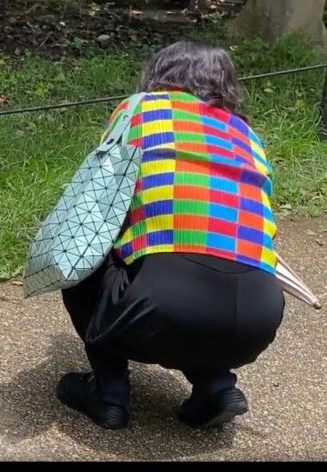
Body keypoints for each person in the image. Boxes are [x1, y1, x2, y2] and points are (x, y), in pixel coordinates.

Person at [57, 41, 285, 431]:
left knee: (83, 247)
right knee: (212, 267)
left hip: (166, 304)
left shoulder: (142, 108)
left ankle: (108, 393)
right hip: (259, 317)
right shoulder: (248, 136)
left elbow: (97, 200)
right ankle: (216, 385)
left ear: (160, 74)